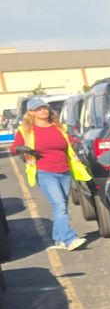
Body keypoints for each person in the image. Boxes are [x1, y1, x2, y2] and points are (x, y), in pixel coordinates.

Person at [10, 97, 89, 250]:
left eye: (45, 107)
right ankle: (69, 238)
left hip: (64, 170)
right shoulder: (26, 131)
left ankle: (58, 238)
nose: (44, 110)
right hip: (44, 171)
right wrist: (21, 149)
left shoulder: (58, 127)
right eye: (39, 109)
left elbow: (70, 143)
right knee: (59, 205)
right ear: (31, 113)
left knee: (62, 206)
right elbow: (14, 148)